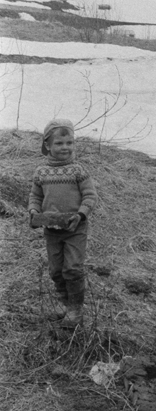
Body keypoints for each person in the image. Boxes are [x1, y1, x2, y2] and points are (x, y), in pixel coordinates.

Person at [28, 118, 97, 328]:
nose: (65, 148)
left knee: (73, 268)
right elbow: (35, 197)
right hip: (52, 230)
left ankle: (76, 310)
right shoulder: (41, 172)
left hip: (75, 228)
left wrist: (81, 215)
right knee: (56, 270)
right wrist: (33, 212)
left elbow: (90, 196)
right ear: (47, 145)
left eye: (69, 143)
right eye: (59, 143)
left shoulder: (78, 170)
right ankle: (64, 304)